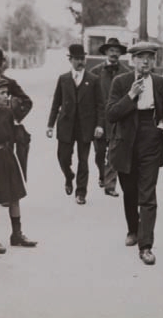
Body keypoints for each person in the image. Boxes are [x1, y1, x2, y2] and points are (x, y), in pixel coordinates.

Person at [107, 41, 163, 265]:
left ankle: (146, 246)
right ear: (132, 60)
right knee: (130, 190)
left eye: (150, 57)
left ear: (154, 60)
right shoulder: (121, 81)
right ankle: (132, 229)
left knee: (148, 193)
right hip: (126, 140)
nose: (145, 61)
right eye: (141, 57)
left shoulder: (161, 83)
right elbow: (111, 114)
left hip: (150, 138)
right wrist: (130, 96)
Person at [0, 78, 36, 253]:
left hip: (6, 156)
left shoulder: (7, 112)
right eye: (3, 93)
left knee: (14, 195)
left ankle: (16, 233)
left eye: (7, 93)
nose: (7, 97)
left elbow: (11, 133)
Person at [47, 45, 104, 205]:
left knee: (83, 160)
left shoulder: (93, 79)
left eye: (82, 58)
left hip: (86, 126)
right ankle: (69, 176)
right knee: (63, 158)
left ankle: (81, 192)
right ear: (70, 60)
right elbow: (56, 102)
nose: (80, 61)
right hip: (66, 125)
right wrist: (50, 125)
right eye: (77, 59)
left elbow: (100, 105)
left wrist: (99, 125)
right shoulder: (63, 79)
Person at [0, 48, 32, 180]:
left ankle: (6, 193)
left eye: (0, 63)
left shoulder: (9, 82)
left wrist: (15, 118)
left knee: (6, 160)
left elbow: (27, 101)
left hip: (5, 128)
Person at [90, 38, 130, 197]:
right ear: (106, 52)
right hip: (99, 120)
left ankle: (110, 184)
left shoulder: (127, 73)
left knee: (113, 153)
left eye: (117, 51)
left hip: (118, 119)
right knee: (99, 152)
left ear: (120, 53)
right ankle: (102, 174)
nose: (114, 54)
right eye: (111, 50)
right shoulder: (95, 72)